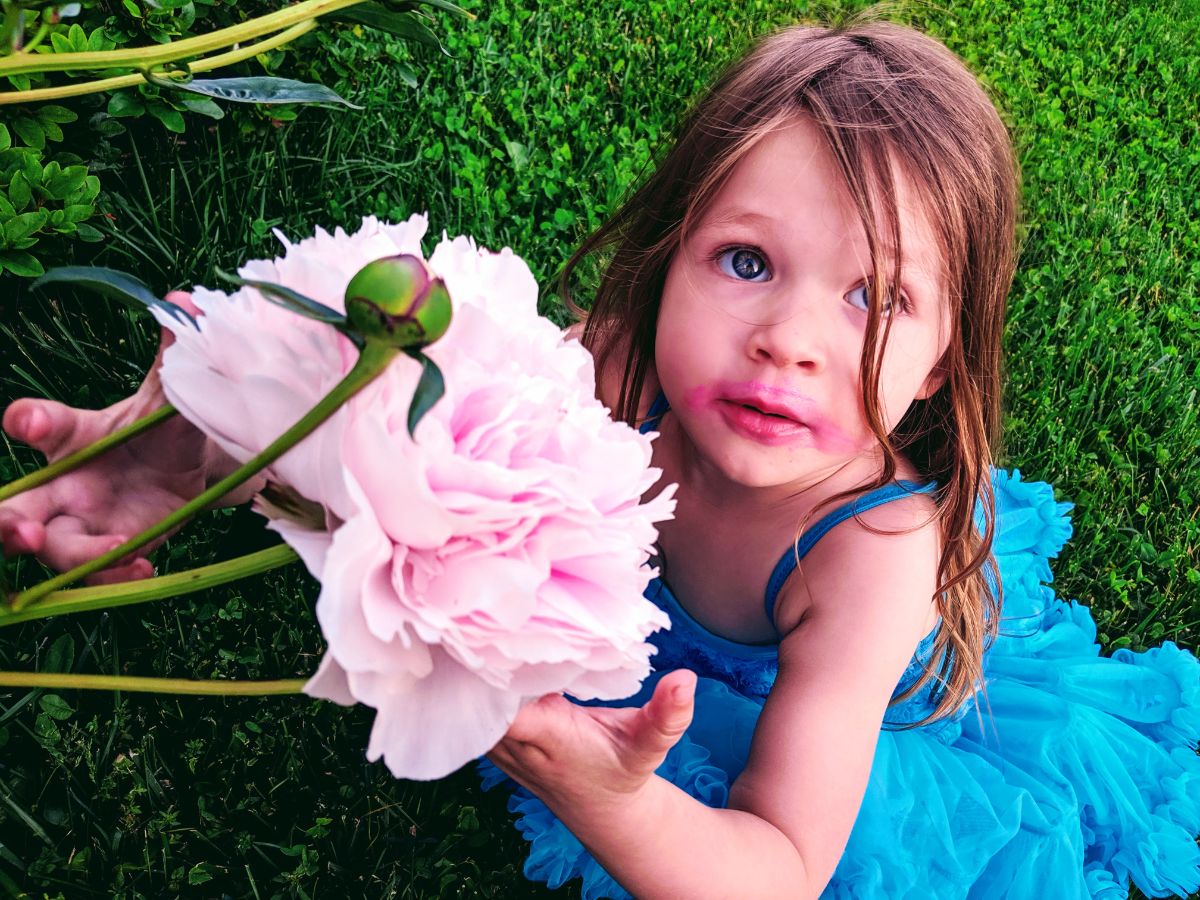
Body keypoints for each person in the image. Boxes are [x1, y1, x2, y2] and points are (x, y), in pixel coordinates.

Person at [2, 18, 1197, 900]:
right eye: (744, 262)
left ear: (939, 367)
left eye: (876, 299)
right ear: (669, 259)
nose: (789, 339)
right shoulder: (619, 369)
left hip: (841, 706)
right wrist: (187, 448)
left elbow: (778, 867)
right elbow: (391, 431)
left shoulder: (872, 552)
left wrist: (606, 789)